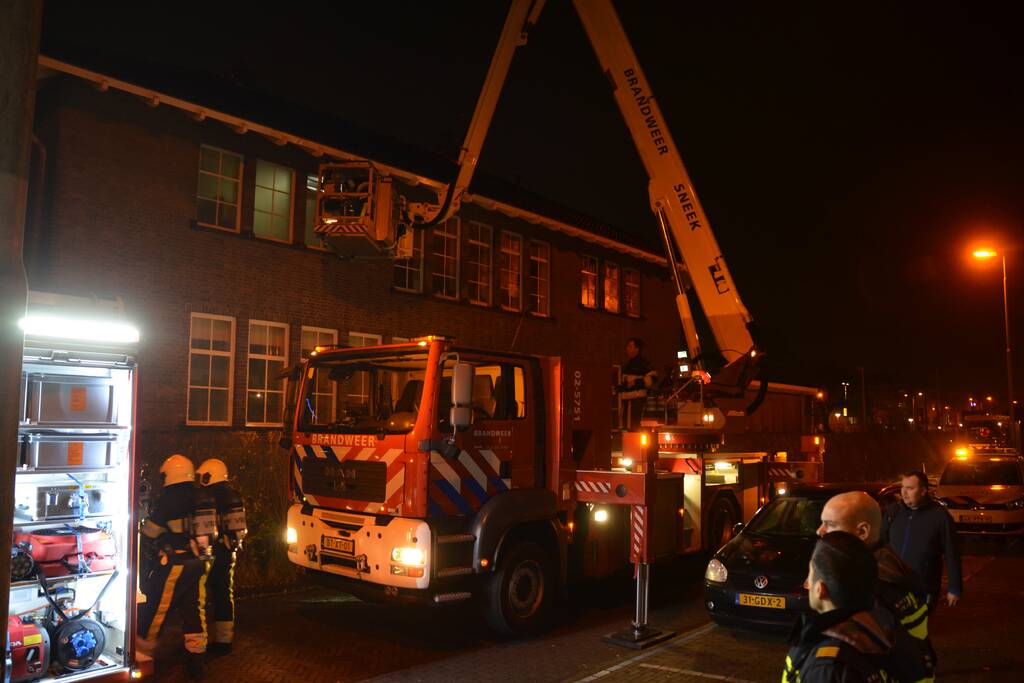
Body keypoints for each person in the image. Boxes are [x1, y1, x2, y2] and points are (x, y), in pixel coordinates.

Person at [818, 491, 934, 655]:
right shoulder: (892, 570)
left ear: (862, 532)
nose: (819, 531)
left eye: (830, 524)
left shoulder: (867, 591)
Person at [137, 454, 215, 679]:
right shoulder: (204, 494)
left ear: (170, 475)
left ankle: (143, 652)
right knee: (194, 610)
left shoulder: (169, 499)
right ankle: (196, 659)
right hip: (201, 562)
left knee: (159, 606)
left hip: (177, 562)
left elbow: (151, 531)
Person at [783, 531, 895, 682]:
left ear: (820, 590)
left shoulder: (827, 667)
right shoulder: (874, 627)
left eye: (810, 574)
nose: (806, 583)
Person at [883, 470, 962, 610]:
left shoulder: (940, 517)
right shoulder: (893, 512)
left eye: (910, 488)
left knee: (918, 628)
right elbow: (880, 544)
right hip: (894, 585)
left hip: (923, 588)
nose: (904, 492)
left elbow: (952, 554)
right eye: (902, 487)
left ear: (923, 491)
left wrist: (954, 588)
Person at [197, 458, 247, 655]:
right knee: (224, 595)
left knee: (199, 596)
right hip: (228, 552)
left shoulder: (207, 496)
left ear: (210, 475)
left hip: (209, 553)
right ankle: (224, 641)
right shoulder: (234, 495)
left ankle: (198, 644)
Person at [616, 337, 657, 431]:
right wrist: (621, 387)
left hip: (637, 402)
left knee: (634, 428)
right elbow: (626, 383)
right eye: (627, 346)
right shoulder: (627, 365)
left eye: (630, 346)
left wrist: (636, 383)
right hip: (627, 402)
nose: (627, 348)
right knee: (626, 427)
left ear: (637, 349)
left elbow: (653, 378)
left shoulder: (644, 364)